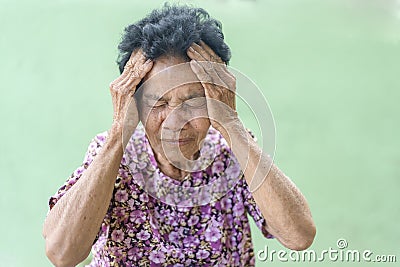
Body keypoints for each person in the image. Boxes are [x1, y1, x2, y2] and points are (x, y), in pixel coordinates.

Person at [43, 4, 316, 267]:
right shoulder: (113, 155)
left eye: (193, 102)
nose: (175, 121)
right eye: (158, 102)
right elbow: (62, 254)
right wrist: (118, 135)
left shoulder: (229, 154)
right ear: (134, 105)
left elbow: (299, 236)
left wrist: (232, 125)